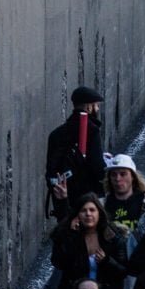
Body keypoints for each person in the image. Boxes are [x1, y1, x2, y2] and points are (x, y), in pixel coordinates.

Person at [45, 86, 107, 222]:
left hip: (63, 196)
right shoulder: (92, 130)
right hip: (87, 196)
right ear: (88, 108)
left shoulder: (56, 134)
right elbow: (97, 165)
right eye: (95, 106)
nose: (97, 109)